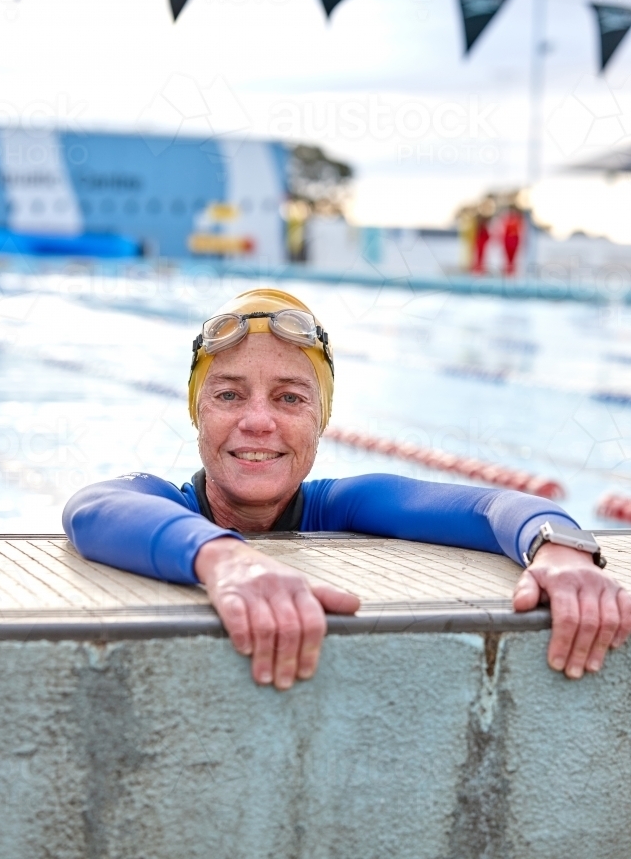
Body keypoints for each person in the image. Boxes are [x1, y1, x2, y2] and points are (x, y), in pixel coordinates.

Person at [64, 288, 631, 691]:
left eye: (290, 398)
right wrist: (224, 559)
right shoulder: (167, 504)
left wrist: (558, 546)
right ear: (197, 414)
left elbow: (490, 506)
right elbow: (93, 508)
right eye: (229, 395)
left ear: (321, 422)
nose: (258, 422)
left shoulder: (343, 506)